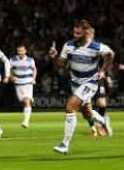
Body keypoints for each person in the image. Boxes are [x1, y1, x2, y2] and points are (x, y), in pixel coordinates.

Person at [49, 20, 115, 154]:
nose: (75, 35)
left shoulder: (96, 47)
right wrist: (55, 57)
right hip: (75, 84)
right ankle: (103, 121)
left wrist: (102, 70)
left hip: (89, 83)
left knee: (70, 107)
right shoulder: (68, 45)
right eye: (74, 32)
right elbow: (62, 64)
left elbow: (111, 55)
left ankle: (65, 144)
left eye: (78, 33)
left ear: (86, 33)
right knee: (87, 113)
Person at [10, 44, 37, 128]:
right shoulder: (13, 60)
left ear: (25, 51)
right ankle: (29, 103)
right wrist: (11, 77)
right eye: (19, 51)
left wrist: (33, 78)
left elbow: (34, 69)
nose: (20, 52)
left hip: (28, 82)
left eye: (22, 51)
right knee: (23, 102)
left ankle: (26, 121)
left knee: (26, 101)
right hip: (18, 83)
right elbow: (9, 69)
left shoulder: (30, 60)